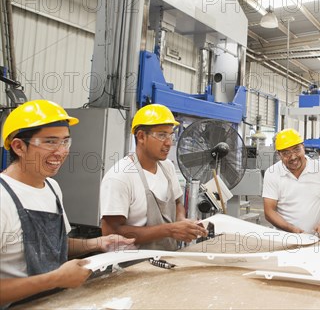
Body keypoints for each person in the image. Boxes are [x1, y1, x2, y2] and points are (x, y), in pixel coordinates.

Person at [0, 100, 135, 307]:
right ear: (19, 146)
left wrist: (98, 243)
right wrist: (55, 279)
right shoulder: (3, 197)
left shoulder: (52, 187)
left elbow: (54, 245)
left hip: (57, 302)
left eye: (65, 142)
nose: (61, 151)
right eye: (50, 142)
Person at [100, 104, 207, 250]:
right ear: (141, 137)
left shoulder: (167, 167)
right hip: (131, 266)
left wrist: (182, 222)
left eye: (171, 135)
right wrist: (170, 230)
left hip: (167, 258)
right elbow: (111, 232)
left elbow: (177, 203)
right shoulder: (120, 176)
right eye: (162, 135)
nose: (169, 142)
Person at [262, 128, 320, 239]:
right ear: (279, 154)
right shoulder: (272, 173)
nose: (293, 157)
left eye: (296, 149)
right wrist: (291, 229)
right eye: (286, 153)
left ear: (303, 147)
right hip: (283, 238)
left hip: (313, 238)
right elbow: (269, 211)